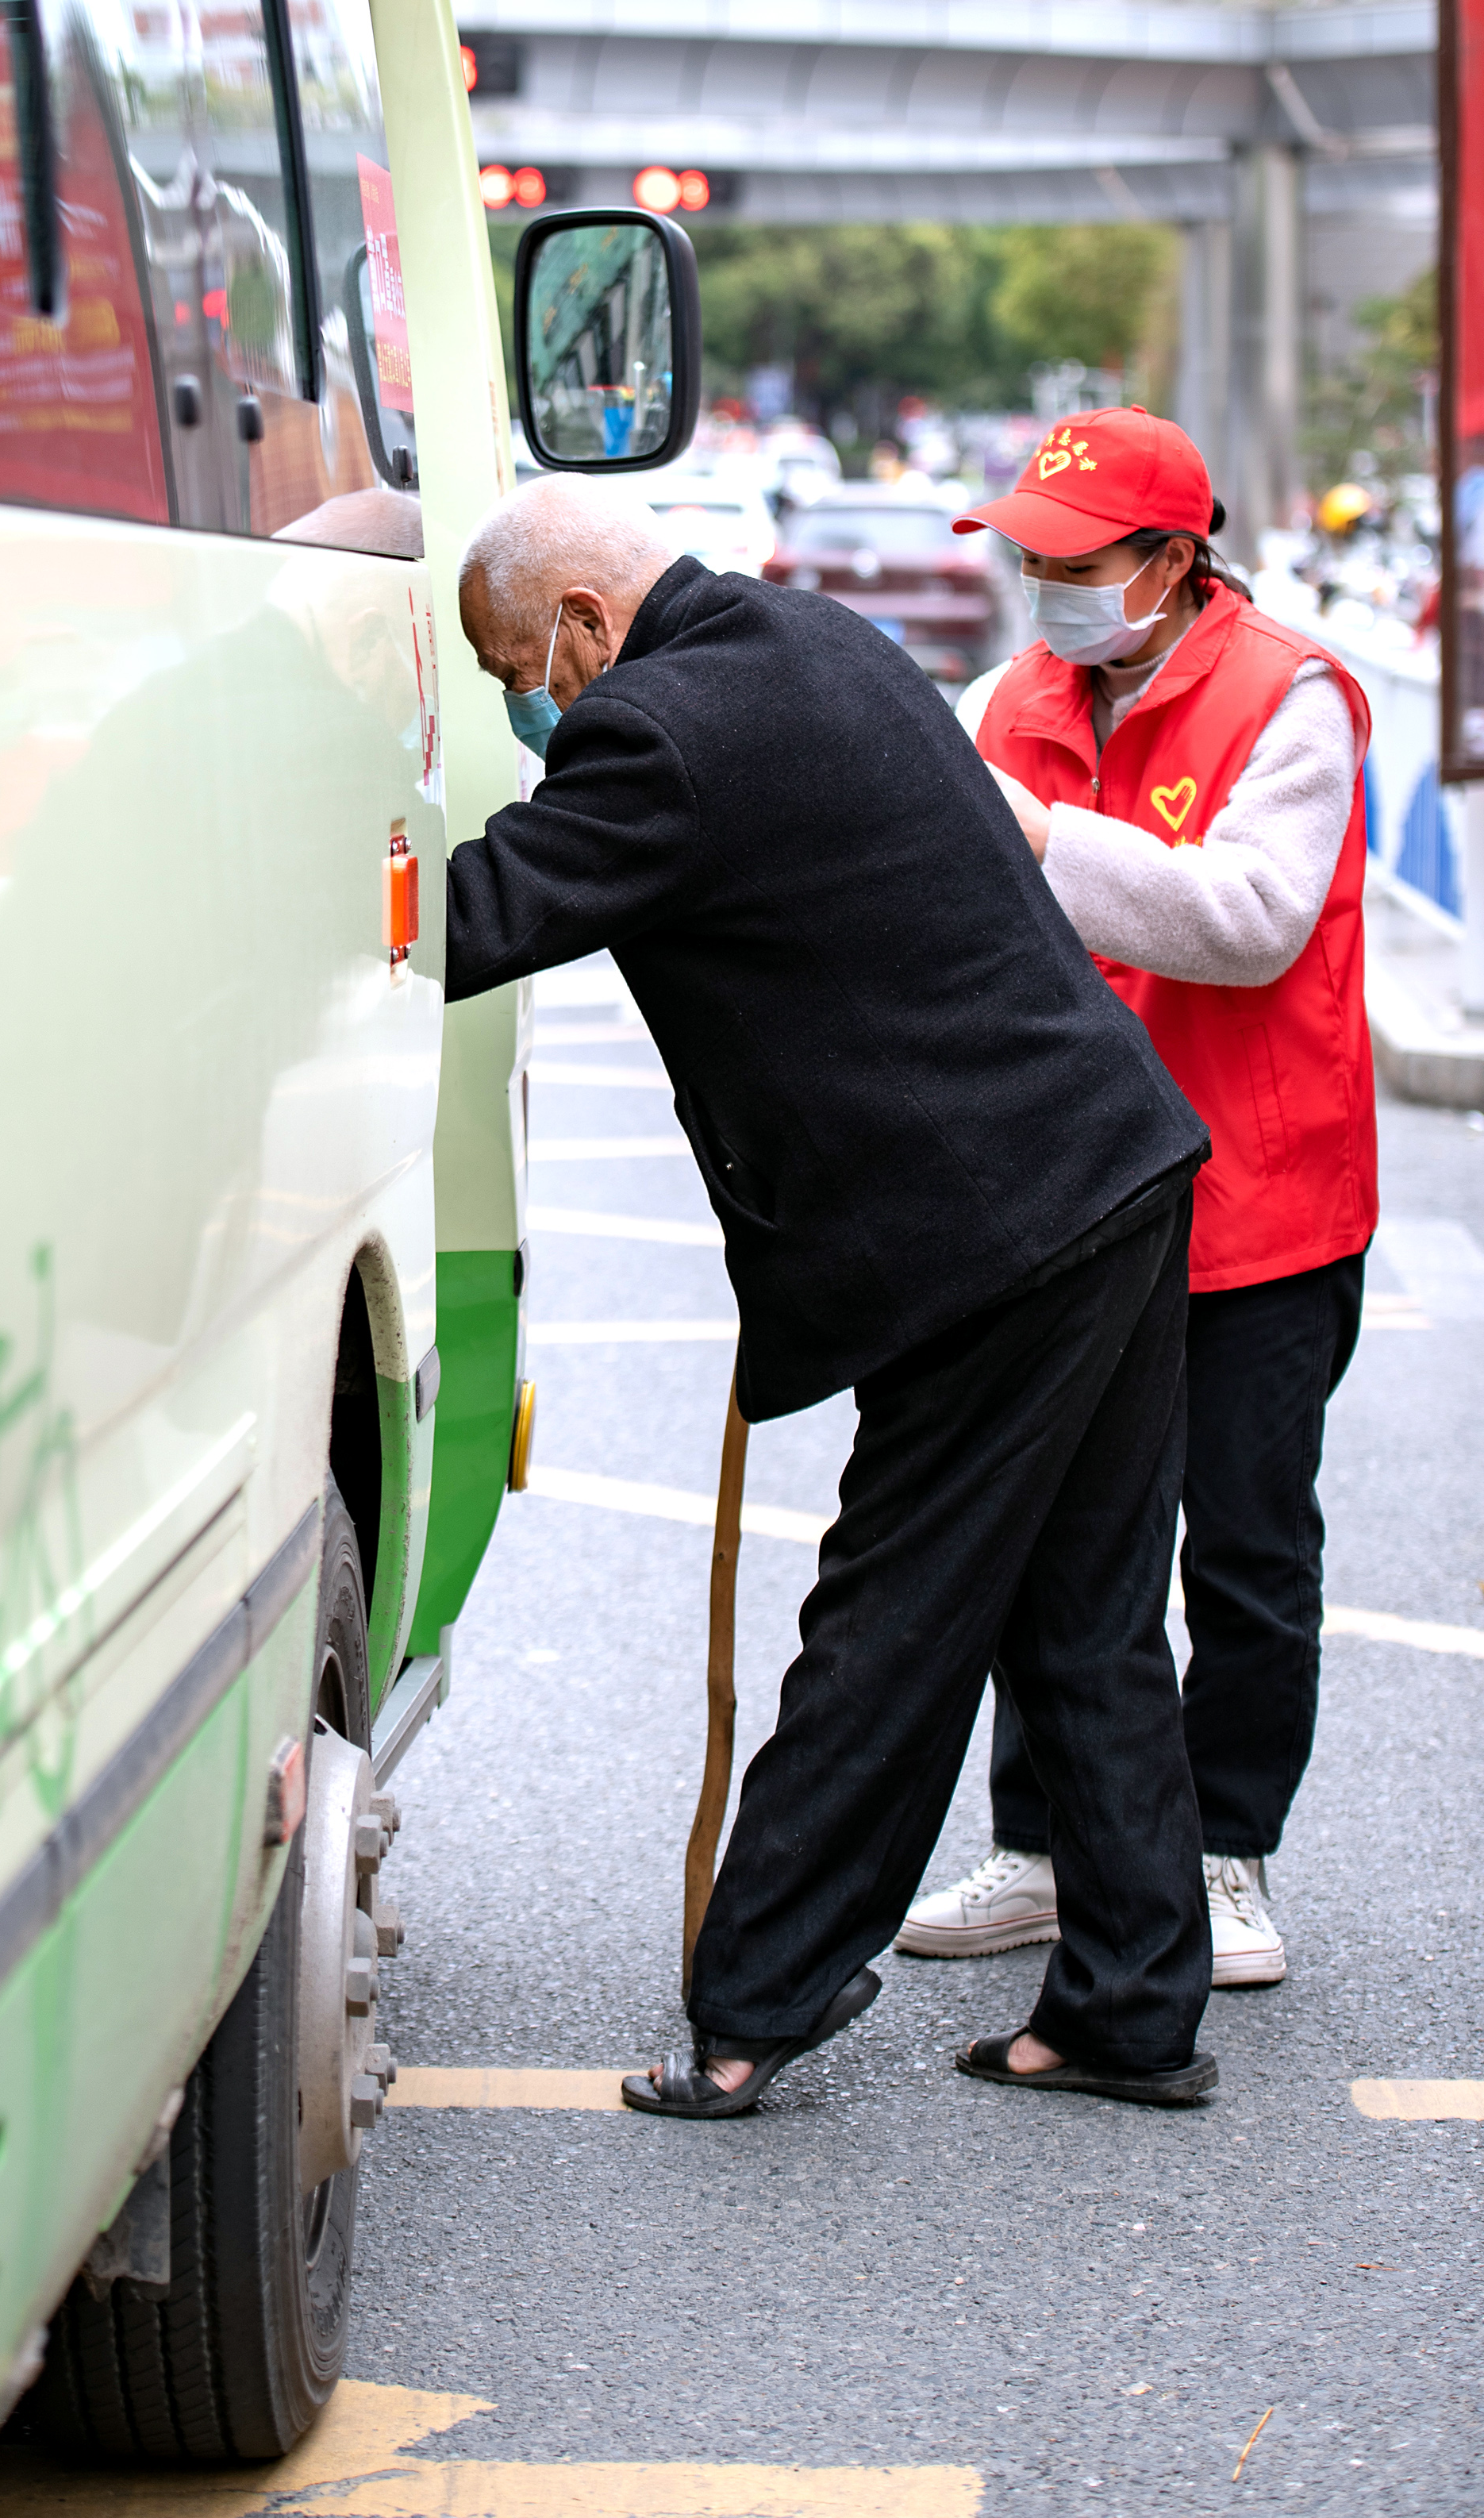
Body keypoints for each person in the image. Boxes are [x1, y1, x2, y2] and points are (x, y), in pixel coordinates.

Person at [444, 474, 1218, 2119]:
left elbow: (471, 920)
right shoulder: (823, 639)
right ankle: (1132, 2010)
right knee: (1087, 1614)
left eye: (532, 665)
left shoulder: (655, 732)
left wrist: (293, 904)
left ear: (588, 621)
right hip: (1114, 1159)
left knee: (894, 1611)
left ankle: (754, 2007)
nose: (543, 702)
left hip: (991, 1227)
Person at [900, 406, 1374, 1989]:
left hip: (1260, 1200)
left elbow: (1249, 919)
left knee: (1243, 1550)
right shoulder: (1007, 696)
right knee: (1061, 1538)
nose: (1045, 589)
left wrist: (1041, 836)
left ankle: (1227, 1851)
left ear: (1174, 562)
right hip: (1071, 1196)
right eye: (1028, 555)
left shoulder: (1290, 696)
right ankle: (1044, 1847)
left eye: (1077, 562)